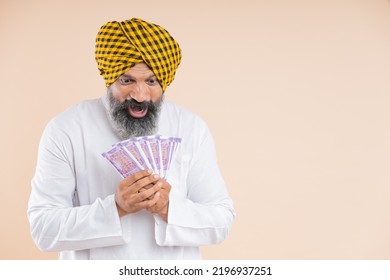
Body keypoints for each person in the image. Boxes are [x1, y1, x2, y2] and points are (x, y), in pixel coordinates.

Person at [28, 18, 235, 260]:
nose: (139, 95)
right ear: (110, 78)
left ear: (164, 81)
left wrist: (169, 209)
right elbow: (43, 229)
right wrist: (116, 208)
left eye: (151, 81)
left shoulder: (190, 126)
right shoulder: (66, 129)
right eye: (127, 80)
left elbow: (221, 221)